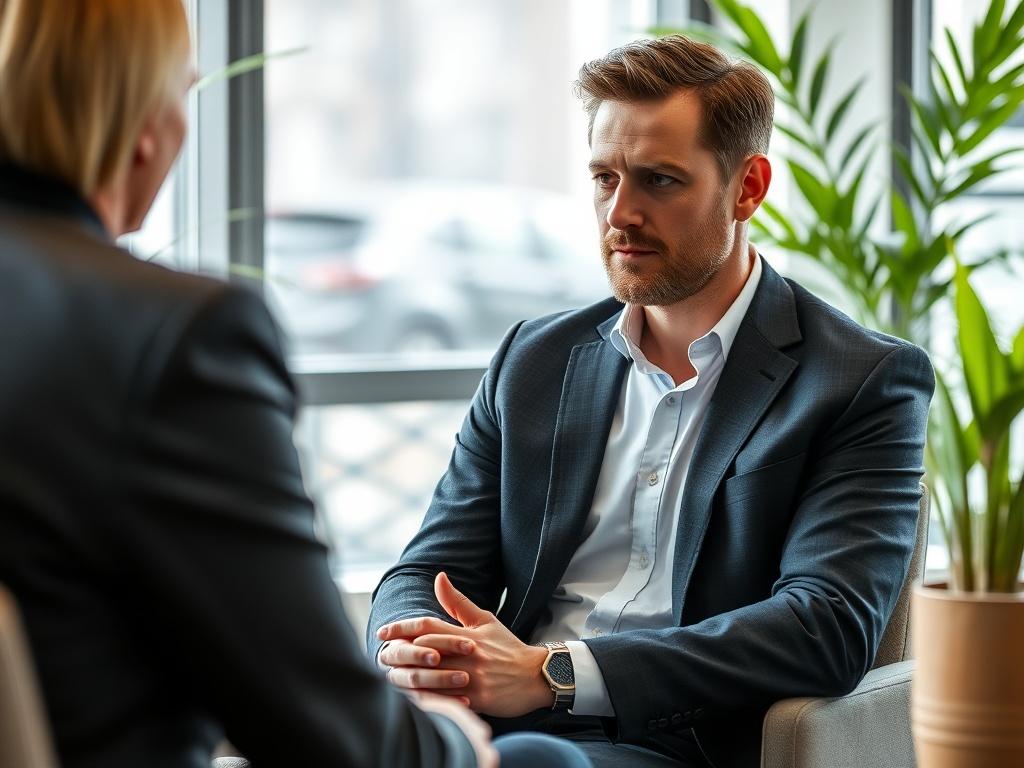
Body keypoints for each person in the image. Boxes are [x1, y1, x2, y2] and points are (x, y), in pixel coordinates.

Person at [0, 2, 595, 768]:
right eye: (185, 92)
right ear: (144, 122)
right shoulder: (174, 337)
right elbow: (327, 734)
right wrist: (459, 746)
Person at [368, 34, 935, 768]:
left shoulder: (860, 380)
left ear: (748, 187)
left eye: (660, 181)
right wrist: (424, 654)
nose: (619, 214)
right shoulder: (534, 360)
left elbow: (825, 626)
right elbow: (429, 568)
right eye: (605, 177)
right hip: (490, 723)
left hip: (673, 740)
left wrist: (553, 674)